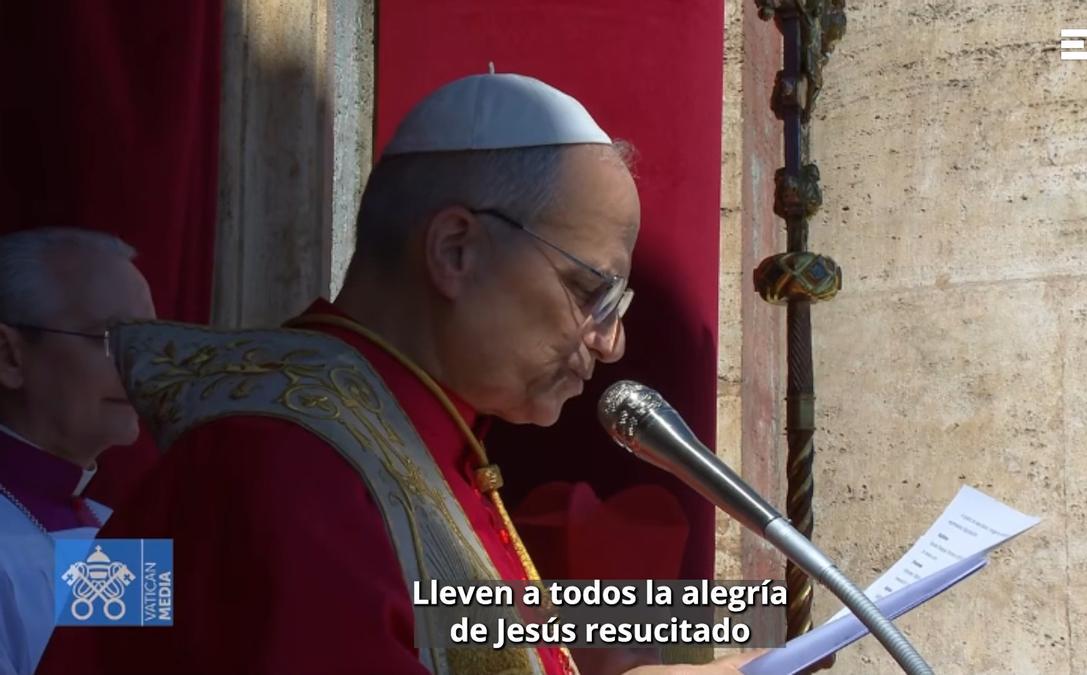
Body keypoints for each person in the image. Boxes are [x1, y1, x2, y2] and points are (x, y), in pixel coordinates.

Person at [37, 74, 754, 675]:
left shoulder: (409, 445)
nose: (612, 343)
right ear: (454, 250)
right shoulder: (285, 465)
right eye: (588, 290)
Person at [0, 228, 156, 675]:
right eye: (109, 338)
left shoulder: (120, 532)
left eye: (146, 341)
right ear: (9, 356)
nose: (139, 367)